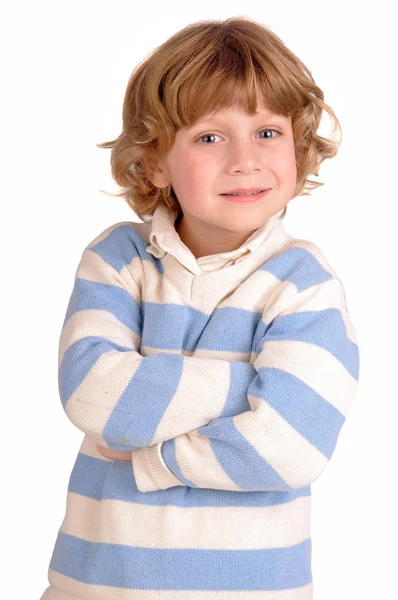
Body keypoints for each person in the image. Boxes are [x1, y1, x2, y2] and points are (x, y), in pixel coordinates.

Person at [40, 15, 360, 600]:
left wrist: (154, 457)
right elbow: (91, 392)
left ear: (299, 146)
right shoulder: (119, 261)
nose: (245, 160)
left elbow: (293, 446)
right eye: (210, 137)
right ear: (155, 162)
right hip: (93, 587)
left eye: (268, 132)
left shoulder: (304, 284)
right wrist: (247, 387)